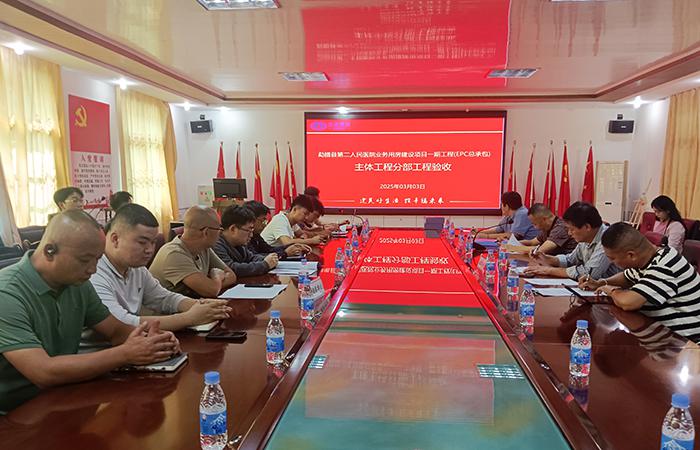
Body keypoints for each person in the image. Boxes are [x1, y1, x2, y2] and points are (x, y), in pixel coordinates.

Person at [0, 210, 179, 414]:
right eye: (85, 260)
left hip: (64, 395)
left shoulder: (78, 283)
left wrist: (155, 342)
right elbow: (43, 371)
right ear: (50, 251)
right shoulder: (7, 293)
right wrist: (126, 353)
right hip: (16, 412)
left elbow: (115, 331)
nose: (93, 269)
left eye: (97, 259)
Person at [91, 204, 231, 331]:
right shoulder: (94, 273)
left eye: (153, 242)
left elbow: (164, 298)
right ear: (115, 239)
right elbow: (120, 323)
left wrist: (201, 305)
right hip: (105, 347)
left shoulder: (136, 268)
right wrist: (189, 318)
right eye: (142, 242)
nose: (149, 250)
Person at [580, 223, 700, 343]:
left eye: (612, 258)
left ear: (631, 255)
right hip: (661, 335)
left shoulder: (666, 264)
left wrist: (611, 290)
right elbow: (627, 277)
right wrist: (600, 283)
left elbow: (628, 303)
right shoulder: (647, 258)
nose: (611, 262)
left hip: (686, 343)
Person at [149, 206, 236, 298]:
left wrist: (212, 284)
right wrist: (216, 275)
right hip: (164, 307)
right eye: (219, 229)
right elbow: (211, 291)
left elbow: (231, 276)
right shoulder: (174, 254)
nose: (220, 233)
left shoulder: (204, 248)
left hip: (190, 303)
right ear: (206, 232)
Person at [525, 202, 620, 280]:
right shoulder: (585, 239)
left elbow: (589, 274)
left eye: (572, 229)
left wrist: (548, 270)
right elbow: (570, 260)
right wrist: (547, 258)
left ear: (587, 227)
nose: (569, 233)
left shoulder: (607, 238)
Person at [213, 205, 278, 278]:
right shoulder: (216, 244)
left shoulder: (238, 244)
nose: (251, 235)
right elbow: (231, 269)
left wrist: (269, 259)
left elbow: (251, 258)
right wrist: (265, 264)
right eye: (248, 230)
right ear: (233, 229)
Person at [243, 201, 311, 259]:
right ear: (252, 219)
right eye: (262, 221)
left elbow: (269, 249)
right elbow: (254, 257)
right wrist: (284, 253)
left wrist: (294, 246)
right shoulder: (245, 237)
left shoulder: (256, 235)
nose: (264, 225)